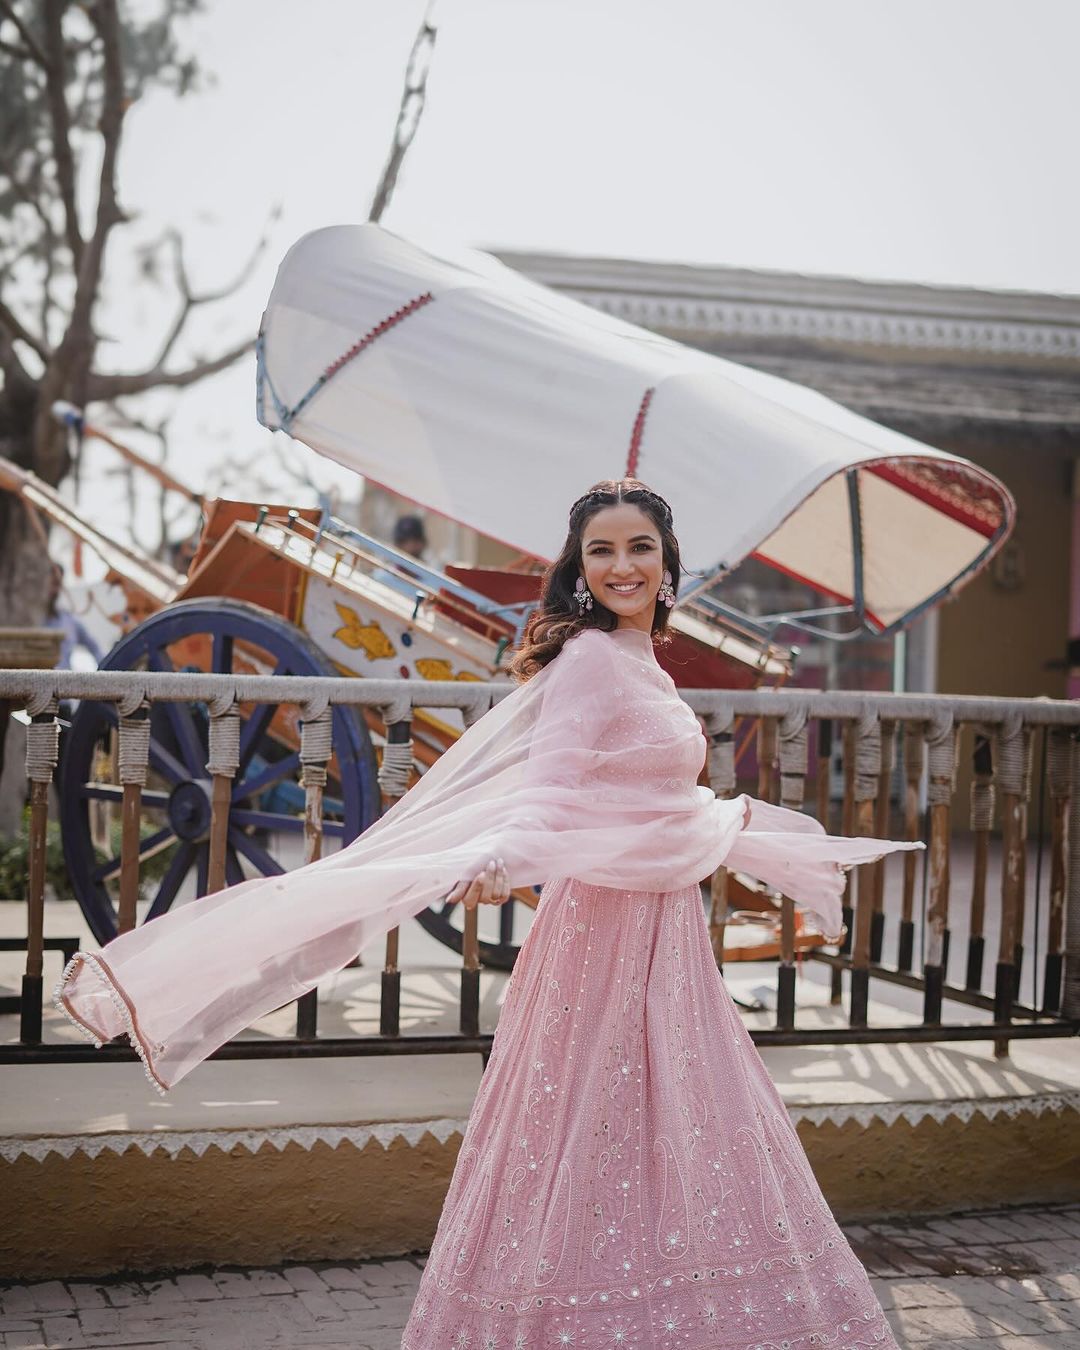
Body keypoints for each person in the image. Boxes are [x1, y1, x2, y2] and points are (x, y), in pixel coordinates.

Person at [57, 480, 918, 1348]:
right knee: (583, 1129)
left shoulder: (641, 658)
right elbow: (551, 790)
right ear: (580, 570)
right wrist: (506, 859)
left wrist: (706, 823)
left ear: (667, 563)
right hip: (601, 936)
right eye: (603, 551)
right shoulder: (586, 662)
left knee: (680, 1122)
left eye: (640, 548)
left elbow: (641, 789)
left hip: (664, 932)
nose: (624, 566)